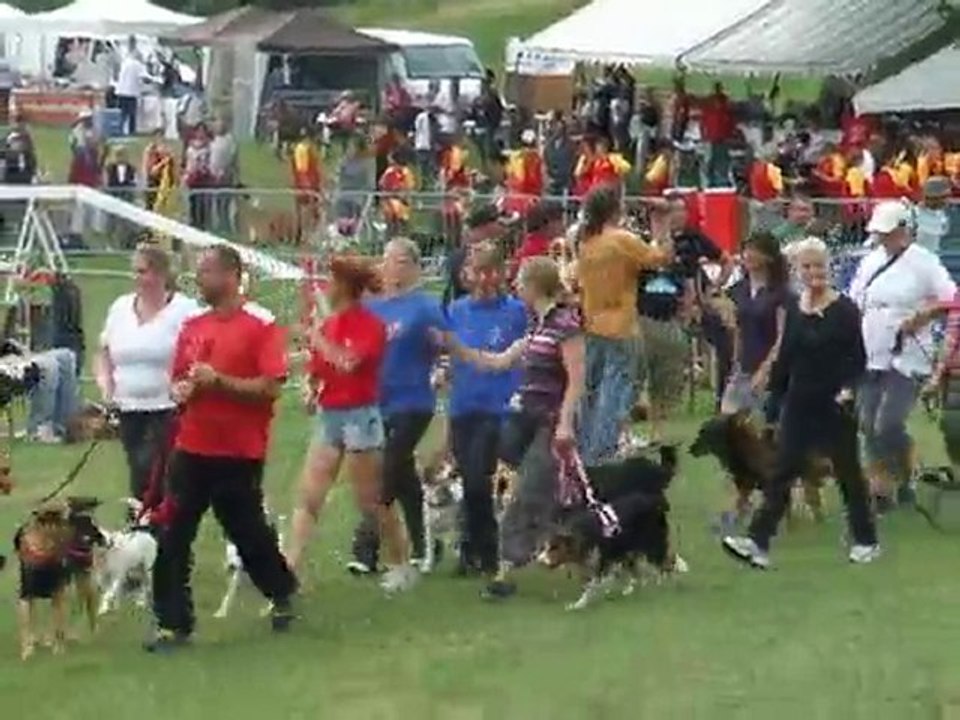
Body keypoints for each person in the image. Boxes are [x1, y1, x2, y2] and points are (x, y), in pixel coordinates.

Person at [146, 245, 298, 652]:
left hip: (239, 450)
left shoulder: (260, 324)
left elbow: (270, 387)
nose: (200, 278)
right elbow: (178, 378)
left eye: (208, 271)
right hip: (192, 445)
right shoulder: (194, 325)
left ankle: (280, 591)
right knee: (173, 531)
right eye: (198, 271)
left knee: (246, 530)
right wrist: (182, 389)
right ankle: (172, 623)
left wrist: (220, 382)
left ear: (233, 275)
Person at [722, 237, 879, 569]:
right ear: (796, 271)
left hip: (836, 404)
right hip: (799, 401)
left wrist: (848, 390)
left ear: (829, 268)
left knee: (847, 472)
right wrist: (773, 399)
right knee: (782, 470)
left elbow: (858, 358)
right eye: (806, 267)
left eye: (819, 265)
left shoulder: (845, 310)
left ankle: (866, 540)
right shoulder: (795, 309)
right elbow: (786, 358)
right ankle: (758, 542)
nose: (814, 273)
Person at [447, 256, 584, 600]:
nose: (516, 288)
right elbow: (500, 361)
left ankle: (505, 570)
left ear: (535, 286)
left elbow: (577, 381)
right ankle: (556, 534)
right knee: (481, 466)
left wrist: (566, 424)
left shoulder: (566, 326)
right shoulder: (537, 327)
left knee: (529, 492)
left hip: (551, 423)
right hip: (523, 417)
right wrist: (455, 347)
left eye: (521, 282)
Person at [285, 256, 417, 591]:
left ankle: (400, 563)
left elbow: (347, 363)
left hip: (361, 417)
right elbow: (319, 370)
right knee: (309, 497)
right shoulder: (330, 326)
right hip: (331, 415)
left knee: (370, 500)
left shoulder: (370, 326)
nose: (326, 290)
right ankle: (289, 569)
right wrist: (309, 389)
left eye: (331, 282)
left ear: (344, 286)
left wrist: (315, 336)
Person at [347, 238, 446, 579]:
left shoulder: (426, 306)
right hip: (378, 402)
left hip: (414, 400)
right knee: (403, 476)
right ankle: (424, 545)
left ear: (415, 267)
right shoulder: (374, 308)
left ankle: (366, 547)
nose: (393, 268)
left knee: (385, 471)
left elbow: (446, 345)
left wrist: (443, 364)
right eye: (388, 260)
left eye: (401, 261)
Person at [850, 201, 957, 511]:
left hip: (906, 355)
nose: (884, 238)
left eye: (889, 232)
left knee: (889, 423)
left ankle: (908, 472)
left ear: (904, 229)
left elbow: (950, 298)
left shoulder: (925, 262)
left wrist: (922, 316)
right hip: (870, 349)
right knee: (867, 423)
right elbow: (856, 297)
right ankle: (881, 488)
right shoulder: (870, 261)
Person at [446, 245, 528, 575]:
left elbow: (527, 351)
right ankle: (471, 547)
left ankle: (490, 553)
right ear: (466, 274)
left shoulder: (516, 312)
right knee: (469, 481)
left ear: (501, 272)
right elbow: (449, 354)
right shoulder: (455, 310)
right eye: (476, 271)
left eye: (490, 271)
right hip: (463, 405)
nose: (483, 279)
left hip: (499, 408)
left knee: (481, 480)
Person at [95, 245, 198, 500]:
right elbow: (103, 353)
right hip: (128, 407)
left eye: (142, 271)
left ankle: (157, 524)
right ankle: (146, 524)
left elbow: (202, 352)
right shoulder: (120, 308)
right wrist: (106, 388)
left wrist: (187, 385)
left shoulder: (184, 309)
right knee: (138, 470)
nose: (136, 278)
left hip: (166, 407)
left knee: (153, 469)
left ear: (160, 274)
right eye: (135, 272)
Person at [577, 186, 671, 463]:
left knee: (592, 392)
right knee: (614, 393)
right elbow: (660, 258)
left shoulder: (587, 241)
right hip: (621, 326)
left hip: (592, 323)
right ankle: (601, 453)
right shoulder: (620, 240)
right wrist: (661, 225)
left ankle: (585, 450)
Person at [721, 232, 791, 417]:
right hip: (742, 367)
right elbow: (736, 330)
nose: (748, 255)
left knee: (758, 427)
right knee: (729, 421)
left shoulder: (781, 293)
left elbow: (782, 336)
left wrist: (765, 369)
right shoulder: (737, 291)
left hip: (768, 368)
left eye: (755, 250)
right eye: (746, 250)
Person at [209, 117, 239, 234]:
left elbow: (232, 159)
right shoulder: (213, 140)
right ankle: (215, 225)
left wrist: (225, 171)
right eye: (216, 123)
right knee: (214, 203)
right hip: (212, 177)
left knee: (224, 204)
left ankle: (225, 226)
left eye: (220, 123)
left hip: (226, 177)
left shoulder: (230, 141)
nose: (217, 126)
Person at [116, 37, 145, 136]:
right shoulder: (138, 65)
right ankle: (131, 131)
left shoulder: (125, 62)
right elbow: (144, 77)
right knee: (132, 114)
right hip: (131, 92)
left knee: (122, 113)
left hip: (121, 91)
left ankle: (119, 130)